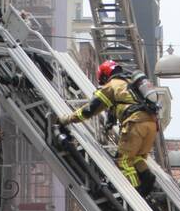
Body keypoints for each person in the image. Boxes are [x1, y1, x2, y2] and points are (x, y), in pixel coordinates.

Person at [58, 59, 159, 197]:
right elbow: (115, 108)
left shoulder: (111, 86)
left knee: (123, 161)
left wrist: (69, 119)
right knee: (136, 158)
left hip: (135, 123)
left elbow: (90, 109)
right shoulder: (130, 83)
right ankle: (147, 178)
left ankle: (135, 194)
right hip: (152, 124)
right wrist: (109, 123)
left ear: (105, 76)